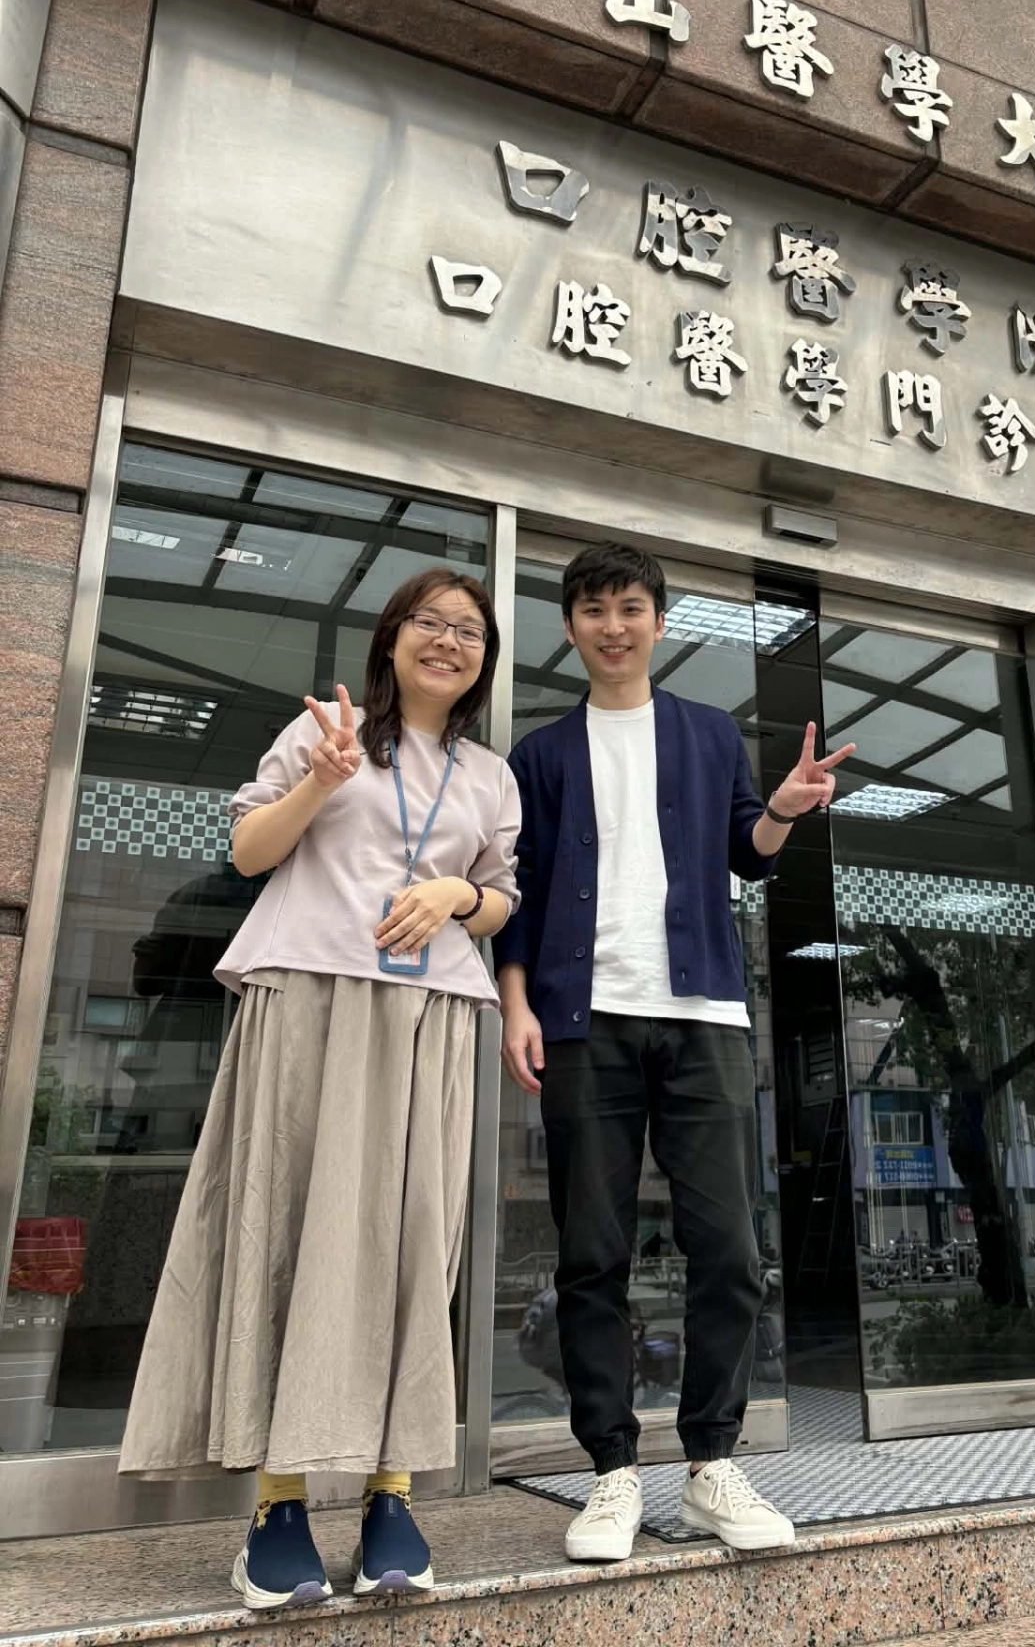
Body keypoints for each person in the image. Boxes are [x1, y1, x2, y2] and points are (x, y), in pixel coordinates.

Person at [118, 569, 520, 1609]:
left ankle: (392, 1494)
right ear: (390, 638)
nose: (447, 640)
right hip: (308, 997)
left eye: (468, 630)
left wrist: (459, 892)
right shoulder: (322, 732)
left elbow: (501, 902)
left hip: (429, 1018)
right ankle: (278, 1504)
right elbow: (251, 850)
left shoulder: (489, 775)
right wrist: (322, 779)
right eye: (428, 622)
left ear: (484, 659)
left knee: (410, 1240)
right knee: (287, 1224)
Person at [495, 542, 851, 1561]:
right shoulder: (539, 756)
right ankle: (611, 1471)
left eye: (631, 608)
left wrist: (780, 810)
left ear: (659, 621)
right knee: (592, 1255)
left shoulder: (706, 733)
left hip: (704, 1016)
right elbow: (518, 895)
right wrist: (516, 1005)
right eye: (594, 610)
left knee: (729, 1250)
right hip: (583, 1019)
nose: (613, 626)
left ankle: (709, 1465)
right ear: (570, 626)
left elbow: (747, 850)